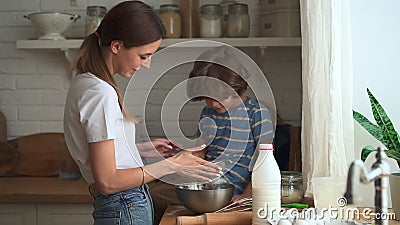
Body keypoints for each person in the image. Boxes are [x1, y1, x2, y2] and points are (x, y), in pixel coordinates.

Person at [63, 1, 221, 225]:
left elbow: (99, 156)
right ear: (117, 46)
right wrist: (173, 164)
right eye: (144, 56)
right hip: (124, 204)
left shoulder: (84, 82)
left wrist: (140, 149)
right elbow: (107, 180)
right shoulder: (101, 93)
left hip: (121, 205)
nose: (147, 64)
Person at [150, 46, 274, 224]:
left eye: (219, 97)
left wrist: (247, 195)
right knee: (153, 191)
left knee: (155, 195)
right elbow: (202, 150)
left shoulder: (257, 113)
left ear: (236, 86)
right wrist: (182, 157)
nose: (213, 103)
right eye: (207, 97)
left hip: (230, 189)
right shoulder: (209, 113)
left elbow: (265, 160)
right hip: (206, 181)